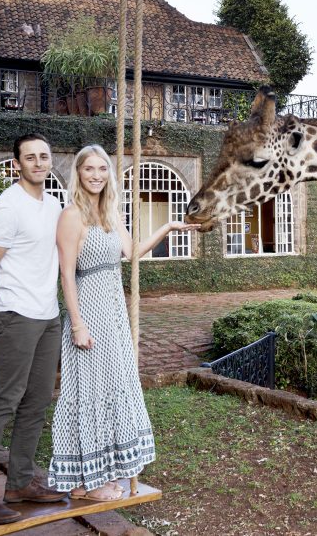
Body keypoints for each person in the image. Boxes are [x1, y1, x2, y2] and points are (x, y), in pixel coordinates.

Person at [47, 145, 199, 501]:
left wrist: (168, 227)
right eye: (89, 169)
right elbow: (66, 275)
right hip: (88, 310)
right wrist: (78, 324)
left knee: (114, 386)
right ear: (79, 173)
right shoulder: (72, 216)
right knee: (89, 392)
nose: (97, 175)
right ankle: (87, 482)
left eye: (102, 169)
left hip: (113, 311)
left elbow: (131, 253)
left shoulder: (110, 214)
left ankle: (100, 475)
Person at [0, 134, 67, 524]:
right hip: (12, 314)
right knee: (3, 402)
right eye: (30, 158)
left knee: (38, 400)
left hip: (46, 315)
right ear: (16, 165)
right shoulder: (6, 207)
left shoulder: (53, 204)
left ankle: (21, 482)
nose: (38, 163)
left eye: (44, 156)